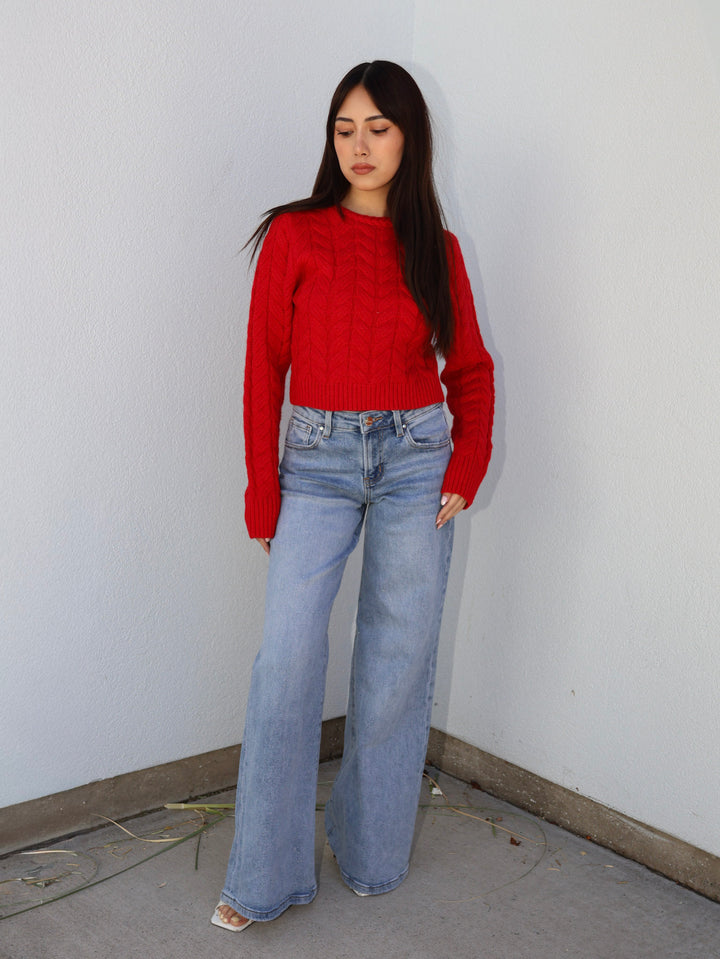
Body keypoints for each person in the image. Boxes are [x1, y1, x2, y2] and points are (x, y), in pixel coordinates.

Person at [212, 59, 494, 932]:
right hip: (318, 461)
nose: (360, 145)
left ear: (409, 137)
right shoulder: (295, 235)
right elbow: (264, 370)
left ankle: (372, 855)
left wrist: (465, 464)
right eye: (345, 128)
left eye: (378, 127)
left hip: (416, 458)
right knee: (288, 660)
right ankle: (263, 876)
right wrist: (265, 493)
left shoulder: (437, 250)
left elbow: (473, 373)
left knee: (396, 663)